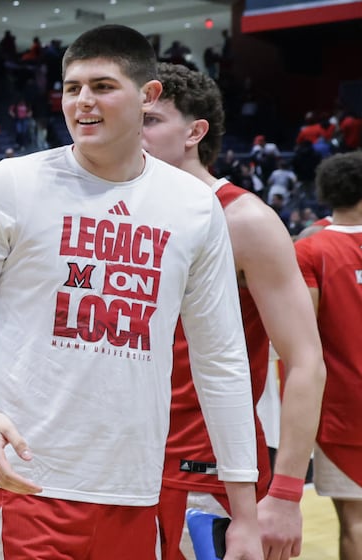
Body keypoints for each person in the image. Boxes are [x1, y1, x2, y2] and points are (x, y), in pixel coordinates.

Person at [0, 25, 262, 560]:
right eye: (72, 87)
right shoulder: (11, 184)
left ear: (148, 96)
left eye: (102, 86)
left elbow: (220, 359)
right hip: (23, 480)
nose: (83, 101)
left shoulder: (193, 208)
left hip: (134, 486)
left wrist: (245, 511)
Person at [142, 62, 325, 560]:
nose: (134, 133)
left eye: (151, 120)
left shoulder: (244, 219)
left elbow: (306, 361)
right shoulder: (124, 213)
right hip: (123, 462)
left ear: (194, 132)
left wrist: (287, 493)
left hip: (210, 469)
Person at [294, 151, 362, 560]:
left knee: (355, 519)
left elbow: (301, 334)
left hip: (342, 406)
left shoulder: (310, 249)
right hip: (342, 407)